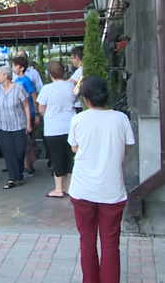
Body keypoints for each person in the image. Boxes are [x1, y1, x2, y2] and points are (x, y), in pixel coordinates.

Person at [69, 76, 134, 283]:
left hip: (83, 189)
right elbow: (125, 150)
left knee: (87, 240)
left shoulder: (78, 120)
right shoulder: (121, 118)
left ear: (85, 99)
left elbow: (74, 147)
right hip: (112, 188)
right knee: (110, 242)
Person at [37, 61, 77, 198]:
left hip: (53, 128)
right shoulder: (71, 86)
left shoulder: (47, 89)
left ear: (50, 74)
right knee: (69, 157)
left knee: (56, 157)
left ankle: (58, 188)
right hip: (70, 125)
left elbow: (41, 108)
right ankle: (68, 186)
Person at [0, 65, 32, 189]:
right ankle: (12, 178)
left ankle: (19, 175)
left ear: (6, 75)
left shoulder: (18, 88)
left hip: (18, 124)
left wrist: (29, 122)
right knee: (8, 152)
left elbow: (26, 105)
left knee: (20, 150)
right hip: (2, 125)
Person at [12, 56, 39, 176]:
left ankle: (29, 166)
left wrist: (36, 113)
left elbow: (33, 96)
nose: (13, 68)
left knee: (28, 141)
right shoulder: (16, 81)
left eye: (15, 65)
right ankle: (25, 165)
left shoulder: (26, 81)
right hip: (19, 114)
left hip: (28, 113)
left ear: (21, 68)